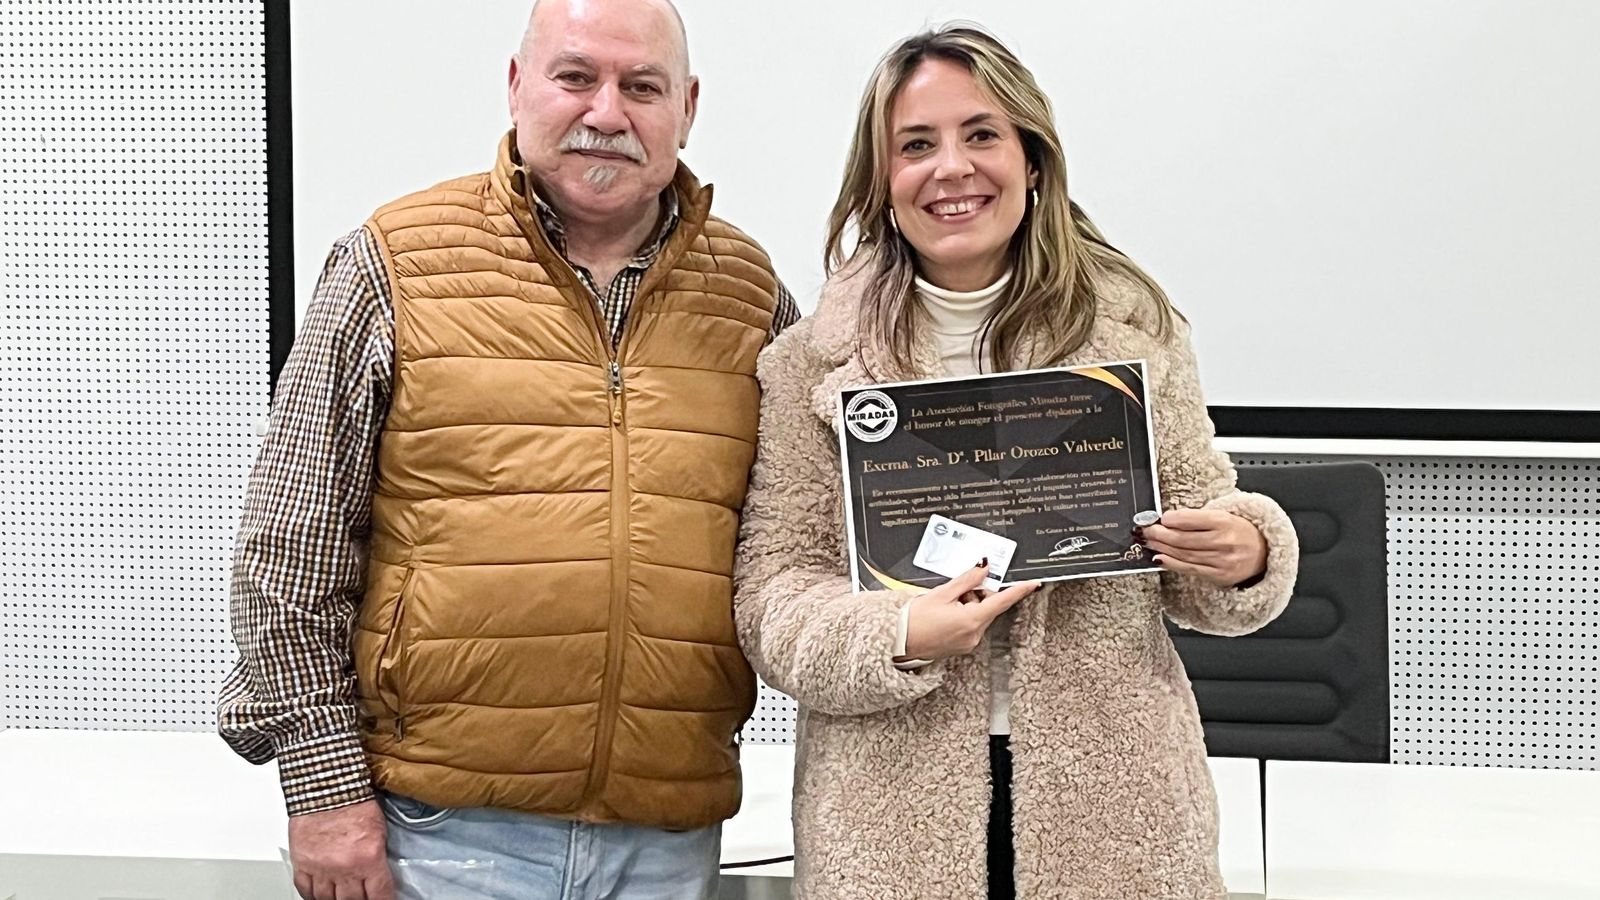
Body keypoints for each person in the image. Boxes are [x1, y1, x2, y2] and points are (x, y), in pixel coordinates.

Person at [217, 1, 799, 897]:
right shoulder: (393, 264)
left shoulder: (750, 294)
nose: (607, 112)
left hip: (667, 839)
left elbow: (803, 529)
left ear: (687, 108)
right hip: (436, 836)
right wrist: (322, 792)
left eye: (641, 87)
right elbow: (292, 551)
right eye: (576, 77)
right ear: (518, 85)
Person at [733, 24, 1299, 900]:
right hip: (889, 819)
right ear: (882, 183)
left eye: (982, 135)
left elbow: (1206, 553)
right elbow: (774, 594)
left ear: (1032, 161)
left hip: (1117, 807)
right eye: (916, 145)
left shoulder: (1135, 333)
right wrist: (897, 634)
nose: (951, 168)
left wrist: (1245, 551)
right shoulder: (811, 365)